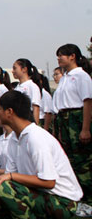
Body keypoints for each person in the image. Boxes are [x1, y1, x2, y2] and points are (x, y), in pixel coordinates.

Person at [0, 91, 83, 218]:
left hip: (61, 200)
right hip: (38, 192)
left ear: (9, 112)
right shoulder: (14, 138)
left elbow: (49, 182)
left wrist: (11, 176)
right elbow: (6, 175)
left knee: (5, 187)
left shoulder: (36, 137)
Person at [53, 44, 92, 214]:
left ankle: (89, 198)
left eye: (62, 55)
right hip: (64, 120)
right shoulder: (65, 78)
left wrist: (85, 129)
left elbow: (87, 102)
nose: (59, 58)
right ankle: (77, 198)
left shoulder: (81, 76)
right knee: (70, 159)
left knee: (83, 160)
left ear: (72, 56)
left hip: (77, 119)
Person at [12, 58, 43, 123]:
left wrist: (35, 127)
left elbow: (36, 108)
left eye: (15, 68)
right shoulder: (17, 88)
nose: (12, 71)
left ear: (24, 69)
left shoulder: (32, 86)